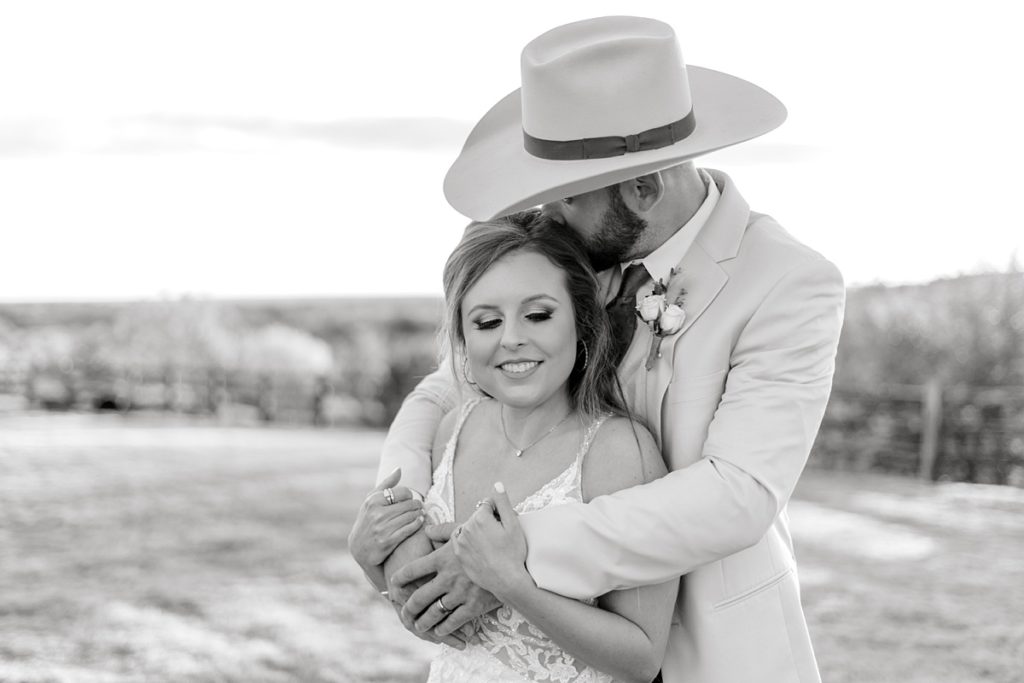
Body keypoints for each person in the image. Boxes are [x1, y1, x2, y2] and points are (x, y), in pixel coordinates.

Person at [369, 15, 845, 683]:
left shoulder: (789, 282)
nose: (546, 217)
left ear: (642, 189)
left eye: (563, 199)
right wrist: (398, 509)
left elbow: (737, 494)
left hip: (712, 653)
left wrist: (512, 556)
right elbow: (443, 387)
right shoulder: (576, 250)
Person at [350, 210, 676, 682]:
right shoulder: (452, 431)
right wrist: (371, 564)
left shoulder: (621, 451)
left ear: (581, 321)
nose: (513, 339)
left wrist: (512, 584)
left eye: (538, 314)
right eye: (486, 322)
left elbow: (642, 659)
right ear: (462, 337)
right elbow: (445, 623)